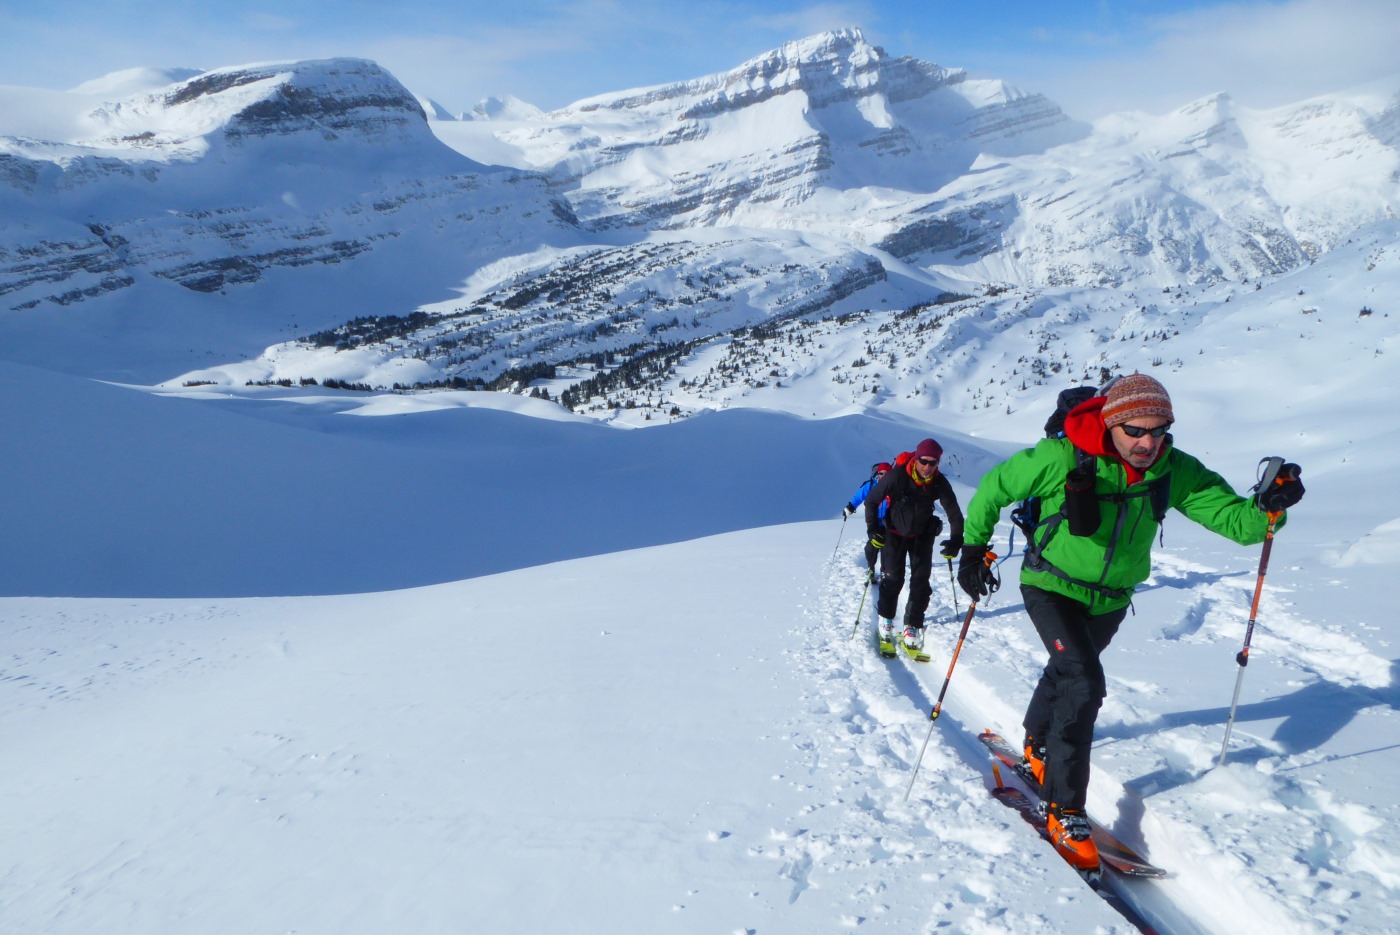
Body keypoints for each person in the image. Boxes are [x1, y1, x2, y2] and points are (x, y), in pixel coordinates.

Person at [955, 373, 1304, 873]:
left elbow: (1237, 523)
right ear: (1111, 422)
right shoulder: (1061, 457)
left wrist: (1269, 507)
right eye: (1136, 431)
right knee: (1083, 679)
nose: (1148, 442)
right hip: (1050, 584)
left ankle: (1036, 741)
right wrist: (973, 549)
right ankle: (1065, 807)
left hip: (1112, 598)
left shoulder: (1172, 469)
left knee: (1068, 671)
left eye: (1159, 430)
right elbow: (995, 488)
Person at [865, 438, 965, 651]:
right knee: (893, 578)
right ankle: (886, 620)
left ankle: (913, 625)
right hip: (894, 533)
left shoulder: (938, 482)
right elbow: (872, 501)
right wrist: (873, 531)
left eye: (933, 463)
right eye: (924, 461)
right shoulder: (897, 476)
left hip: (922, 535)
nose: (927, 467)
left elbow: (954, 513)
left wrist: (956, 540)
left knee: (920, 581)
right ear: (917, 458)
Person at [843, 461, 892, 577]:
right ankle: (871, 567)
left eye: (886, 473)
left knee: (887, 546)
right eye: (881, 473)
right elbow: (859, 497)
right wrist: (851, 507)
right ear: (877, 474)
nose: (883, 476)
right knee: (872, 545)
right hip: (873, 520)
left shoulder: (894, 486)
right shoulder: (870, 486)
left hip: (889, 521)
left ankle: (885, 570)